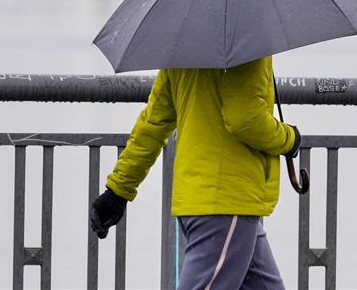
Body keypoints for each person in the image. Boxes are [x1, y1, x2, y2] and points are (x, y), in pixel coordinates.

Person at [89, 56, 300, 290]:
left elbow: (154, 123)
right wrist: (289, 139)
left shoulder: (181, 48)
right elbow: (244, 119)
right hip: (227, 204)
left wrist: (118, 190)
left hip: (201, 202)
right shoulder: (249, 45)